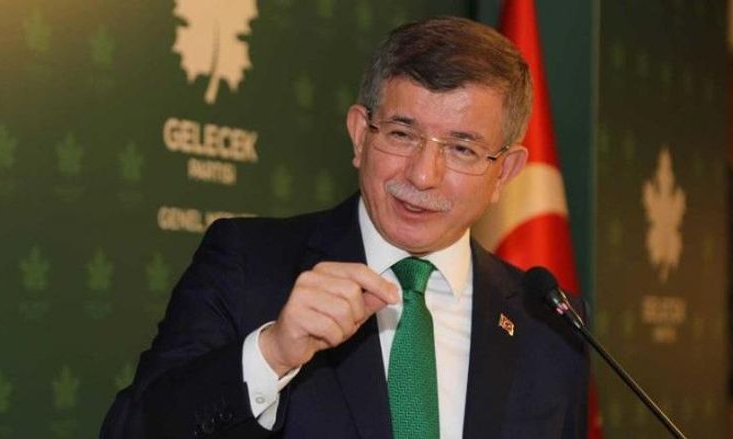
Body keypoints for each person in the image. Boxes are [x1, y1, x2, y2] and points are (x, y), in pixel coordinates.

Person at [101, 16, 588, 439]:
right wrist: (271, 354)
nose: (423, 175)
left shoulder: (549, 322)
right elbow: (131, 430)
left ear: (504, 172)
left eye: (462, 149)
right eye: (402, 134)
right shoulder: (246, 264)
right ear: (359, 135)